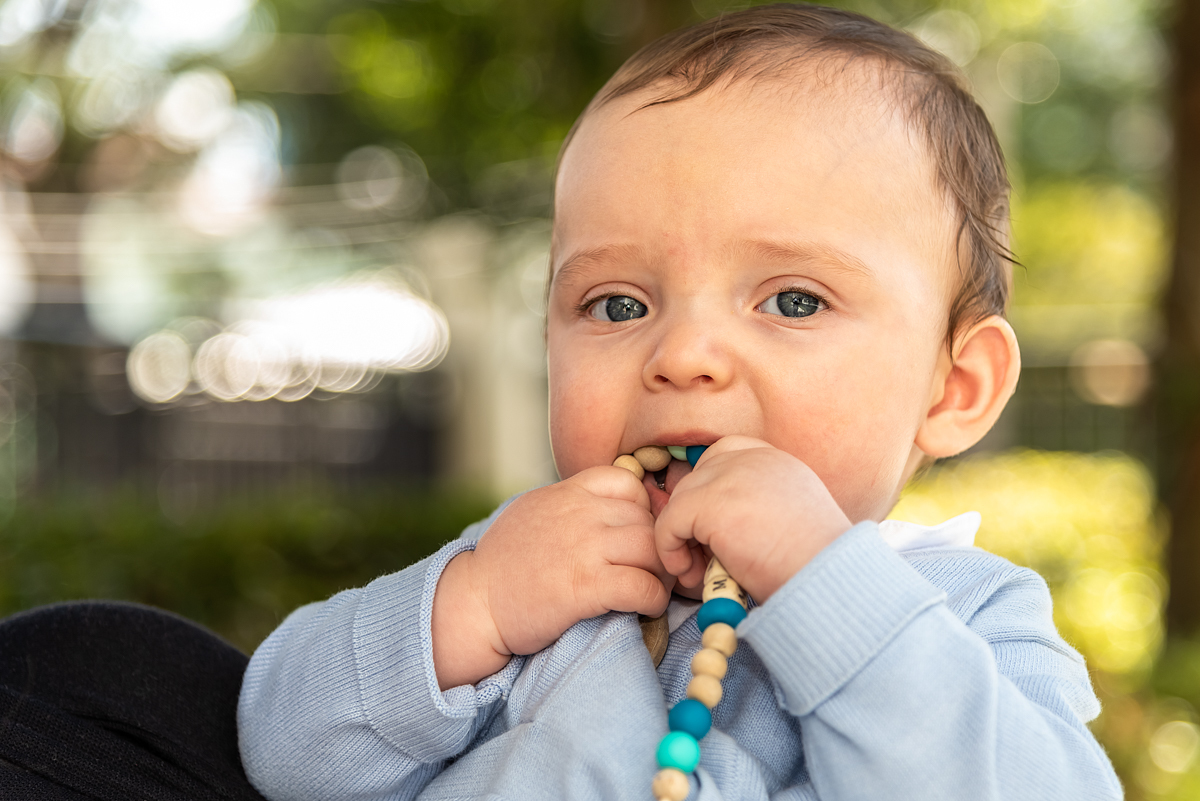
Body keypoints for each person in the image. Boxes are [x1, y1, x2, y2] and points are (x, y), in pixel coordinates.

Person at [237, 4, 1123, 800]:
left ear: (955, 389)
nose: (684, 356)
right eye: (618, 305)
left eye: (793, 300)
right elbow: (284, 752)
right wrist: (471, 607)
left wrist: (829, 585)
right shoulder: (537, 572)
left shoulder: (966, 611)